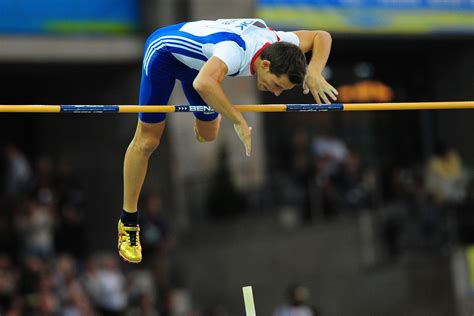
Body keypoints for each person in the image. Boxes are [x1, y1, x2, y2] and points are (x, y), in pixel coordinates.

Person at [118, 18, 339, 263]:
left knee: (209, 133)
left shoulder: (280, 43)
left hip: (201, 68)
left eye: (280, 90)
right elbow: (203, 83)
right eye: (276, 85)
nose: (275, 93)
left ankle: (204, 111)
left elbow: (321, 35)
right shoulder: (235, 51)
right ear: (265, 64)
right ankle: (128, 222)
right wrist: (238, 120)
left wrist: (315, 70)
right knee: (149, 140)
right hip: (165, 55)